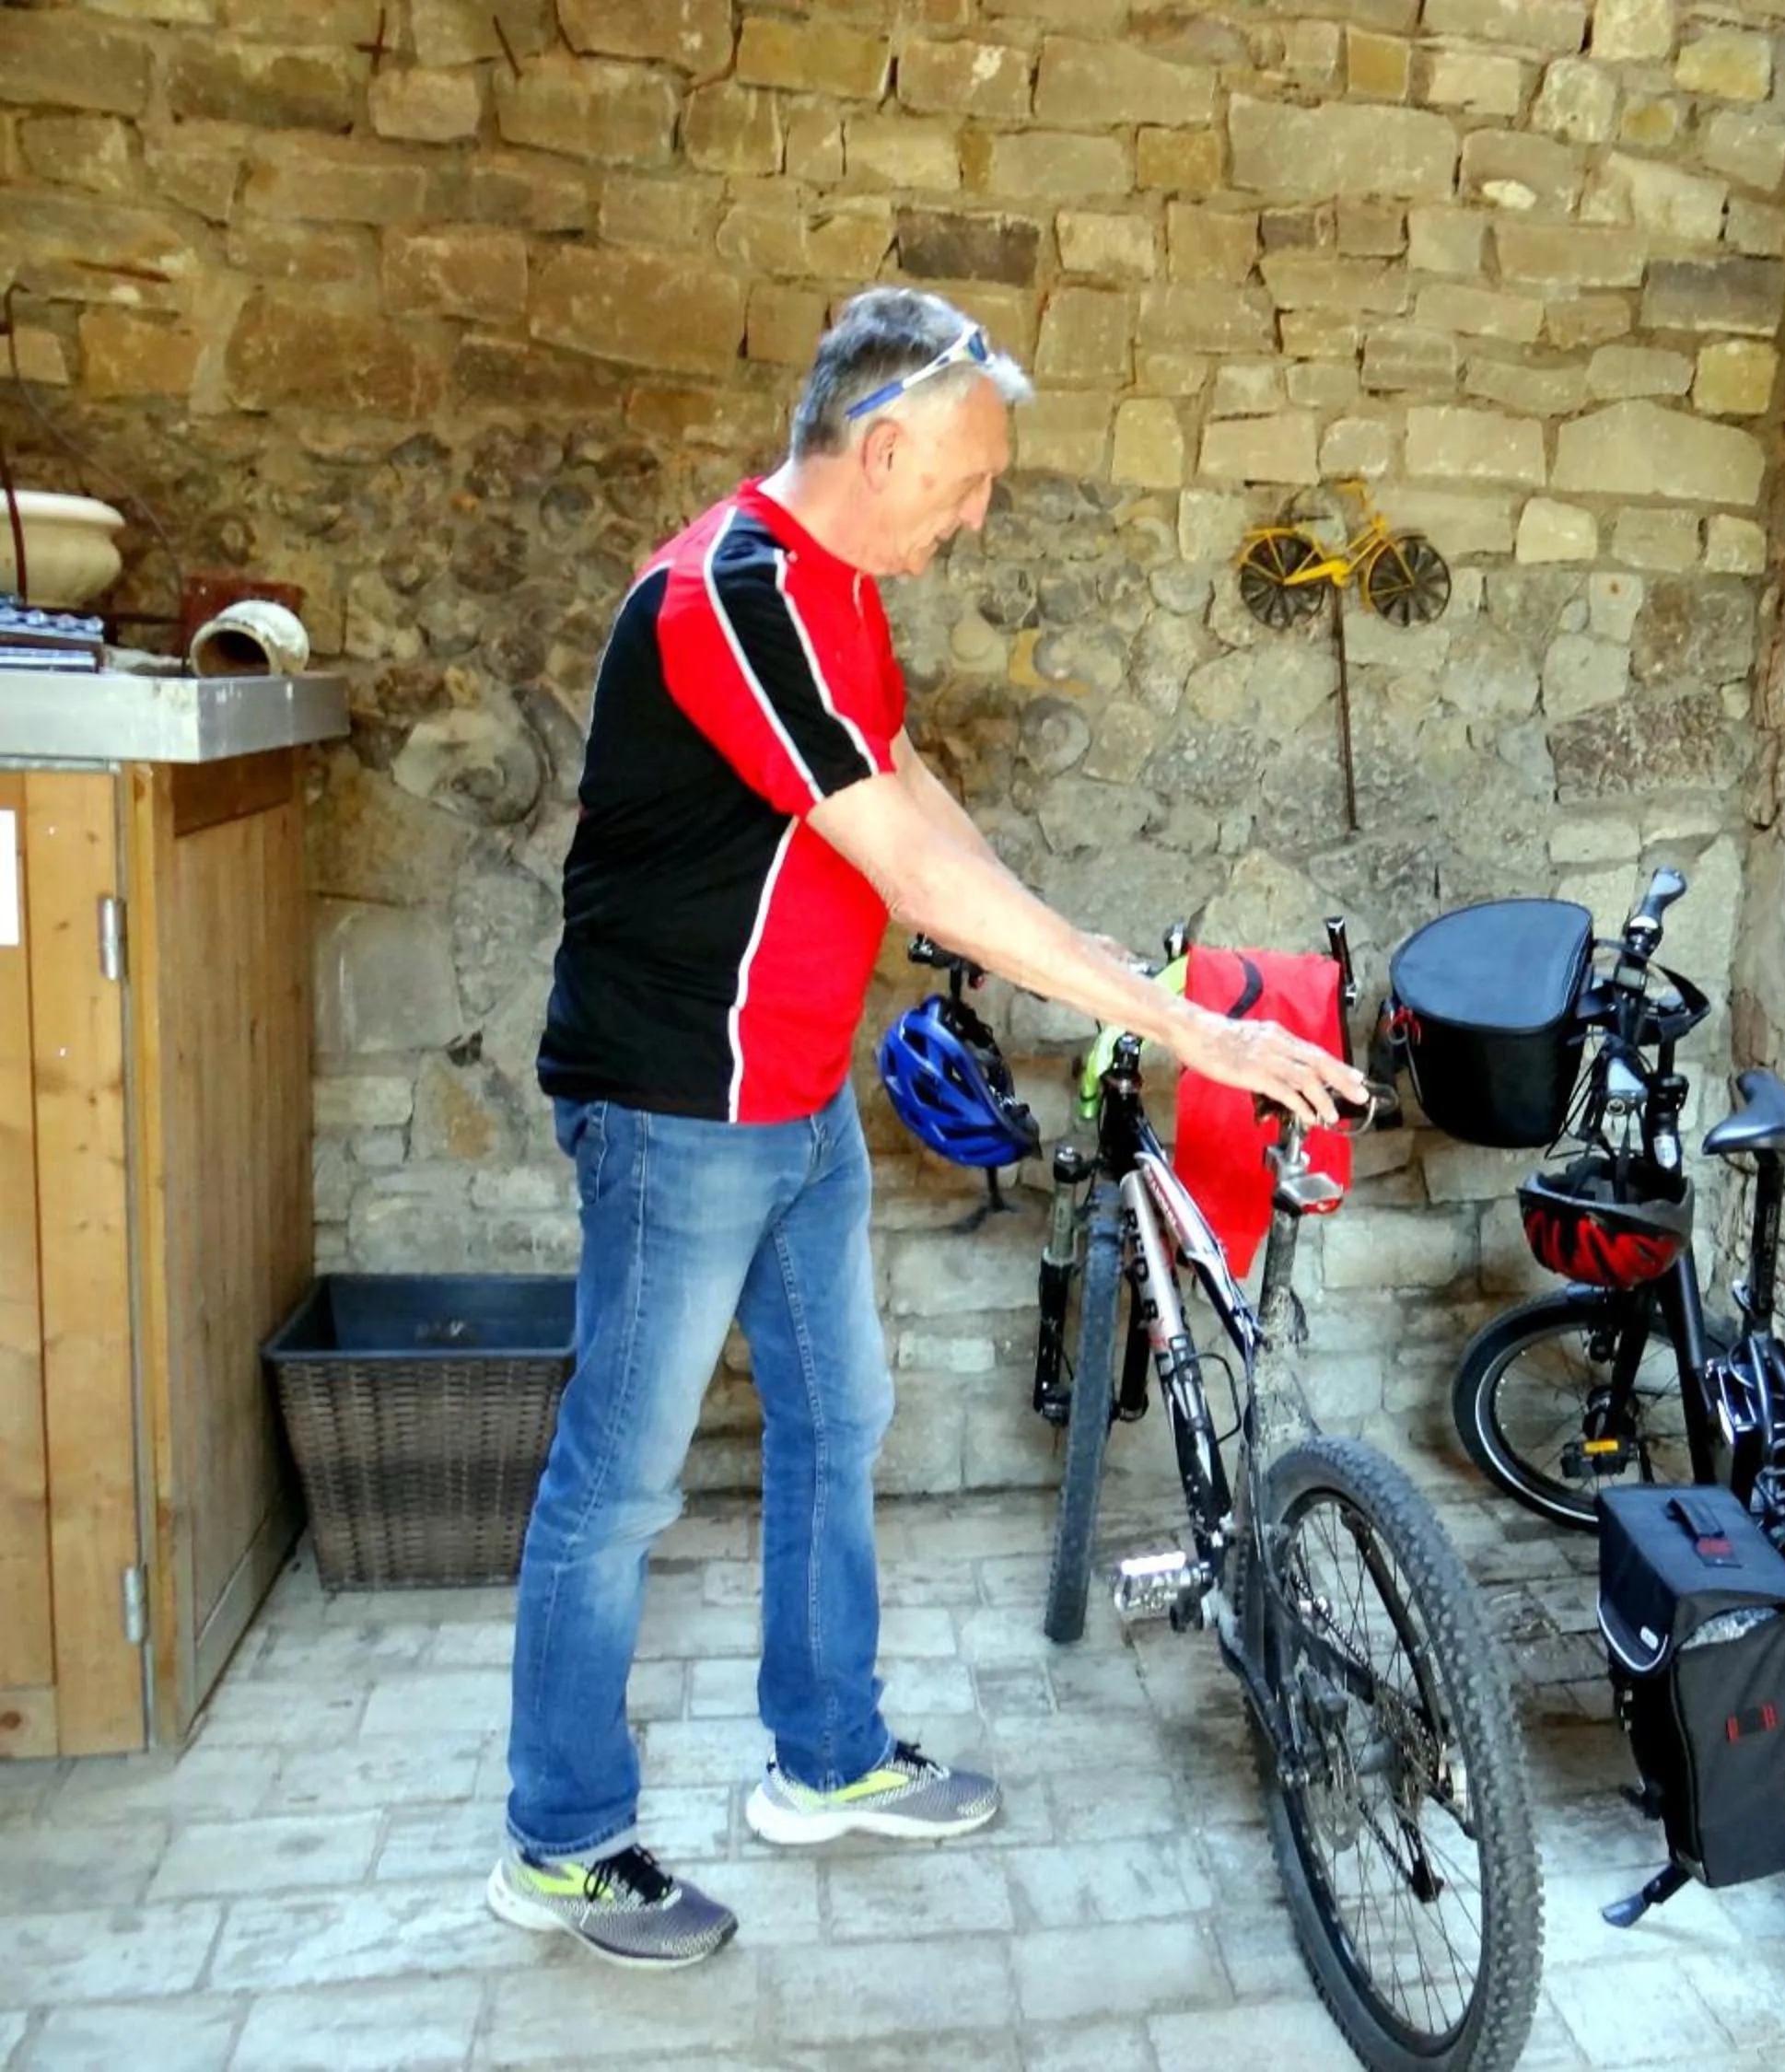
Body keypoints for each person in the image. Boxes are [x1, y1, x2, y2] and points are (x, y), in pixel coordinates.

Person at [490, 287, 1364, 1967]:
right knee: (619, 1481)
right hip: (679, 1107)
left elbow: (908, 783)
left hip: (797, 1087)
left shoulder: (839, 592)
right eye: (966, 483)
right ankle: (562, 1836)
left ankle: (824, 1761)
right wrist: (1187, 1028)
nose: (978, 514)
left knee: (839, 1413)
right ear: (881, 447)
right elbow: (907, 867)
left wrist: (1102, 957)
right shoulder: (728, 595)